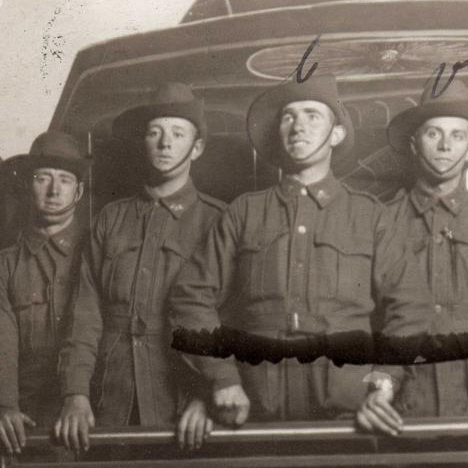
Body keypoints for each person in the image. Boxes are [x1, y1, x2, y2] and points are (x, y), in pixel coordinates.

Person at [167, 74, 431, 431]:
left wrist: (384, 384)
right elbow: (190, 298)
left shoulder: (371, 217)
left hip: (349, 416)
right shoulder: (244, 213)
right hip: (256, 413)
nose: (298, 126)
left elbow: (410, 308)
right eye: (288, 117)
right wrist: (222, 378)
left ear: (336, 135)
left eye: (312, 115)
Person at [56, 82, 225, 452]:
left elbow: (231, 319)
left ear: (195, 149)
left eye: (178, 134)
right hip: (110, 400)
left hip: (182, 404)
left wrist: (206, 396)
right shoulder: (110, 219)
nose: (165, 143)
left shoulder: (219, 222)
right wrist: (76, 393)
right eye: (155, 132)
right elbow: (85, 315)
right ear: (142, 142)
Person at [356, 80, 468, 445]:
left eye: (457, 135)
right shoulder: (380, 219)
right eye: (433, 133)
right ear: (413, 144)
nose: (445, 145)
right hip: (401, 401)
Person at [0, 131, 88, 454]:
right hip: (24, 424)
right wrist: (3, 404)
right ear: (26, 185)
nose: (54, 190)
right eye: (42, 178)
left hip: (90, 419)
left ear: (78, 192)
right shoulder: (5, 265)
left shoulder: (100, 255)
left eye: (65, 180)